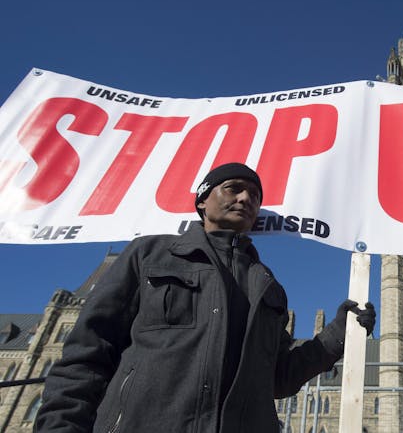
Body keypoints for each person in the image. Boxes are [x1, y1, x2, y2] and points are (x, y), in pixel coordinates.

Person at [35, 163, 376, 433]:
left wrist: (338, 334)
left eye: (254, 196)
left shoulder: (267, 286)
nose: (245, 199)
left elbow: (279, 376)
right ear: (202, 200)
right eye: (233, 189)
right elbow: (88, 354)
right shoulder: (150, 254)